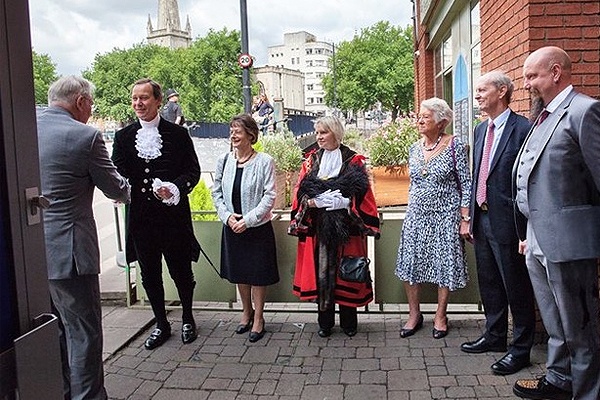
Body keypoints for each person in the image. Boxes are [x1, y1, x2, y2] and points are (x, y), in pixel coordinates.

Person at [513, 46, 600, 400]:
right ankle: (560, 380)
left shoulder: (584, 110)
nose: (527, 84)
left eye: (532, 76)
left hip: (569, 239)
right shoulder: (542, 115)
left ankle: (588, 391)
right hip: (536, 236)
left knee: (579, 323)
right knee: (554, 321)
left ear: (555, 72)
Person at [37, 75, 130, 399]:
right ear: (80, 101)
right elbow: (116, 188)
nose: (91, 111)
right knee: (84, 335)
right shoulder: (85, 136)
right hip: (71, 254)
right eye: (91, 104)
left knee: (53, 331)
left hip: (34, 255)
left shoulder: (26, 126)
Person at [112, 78, 201, 350]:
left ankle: (188, 317)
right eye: (135, 98)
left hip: (173, 217)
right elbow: (117, 172)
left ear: (158, 101)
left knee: (180, 270)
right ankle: (161, 323)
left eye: (144, 98)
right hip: (141, 218)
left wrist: (175, 187)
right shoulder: (123, 136)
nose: (139, 103)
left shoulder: (178, 134)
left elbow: (193, 172)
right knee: (149, 274)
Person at [459, 71, 535, 375]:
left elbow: (527, 179)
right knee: (490, 283)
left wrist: (525, 227)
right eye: (477, 90)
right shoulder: (480, 130)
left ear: (502, 91)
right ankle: (494, 337)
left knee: (516, 286)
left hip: (509, 222)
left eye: (482, 90)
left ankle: (521, 350)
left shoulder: (523, 129)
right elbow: (479, 174)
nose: (477, 95)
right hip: (482, 218)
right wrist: (469, 217)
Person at [290, 116, 380, 337]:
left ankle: (349, 322)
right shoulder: (310, 162)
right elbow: (299, 193)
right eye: (318, 133)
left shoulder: (354, 161)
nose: (319, 137)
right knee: (322, 274)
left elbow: (365, 196)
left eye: (324, 132)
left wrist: (348, 203)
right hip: (319, 228)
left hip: (346, 229)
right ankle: (325, 323)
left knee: (346, 272)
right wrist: (311, 202)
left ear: (336, 133)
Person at [395, 97, 471, 339]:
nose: (419, 120)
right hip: (416, 216)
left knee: (443, 264)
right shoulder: (414, 148)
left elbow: (466, 184)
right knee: (410, 263)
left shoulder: (455, 146)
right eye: (419, 116)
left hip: (445, 217)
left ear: (441, 122)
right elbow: (415, 183)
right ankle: (414, 314)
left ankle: (440, 315)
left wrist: (465, 217)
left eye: (425, 117)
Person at [211, 114, 280, 342]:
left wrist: (248, 220)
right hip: (232, 225)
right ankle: (246, 312)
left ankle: (259, 318)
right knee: (240, 272)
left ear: (251, 135)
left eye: (238, 131)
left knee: (258, 274)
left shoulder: (264, 161)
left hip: (256, 227)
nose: (233, 135)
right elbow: (216, 192)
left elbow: (269, 196)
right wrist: (227, 217)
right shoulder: (224, 160)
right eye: (231, 130)